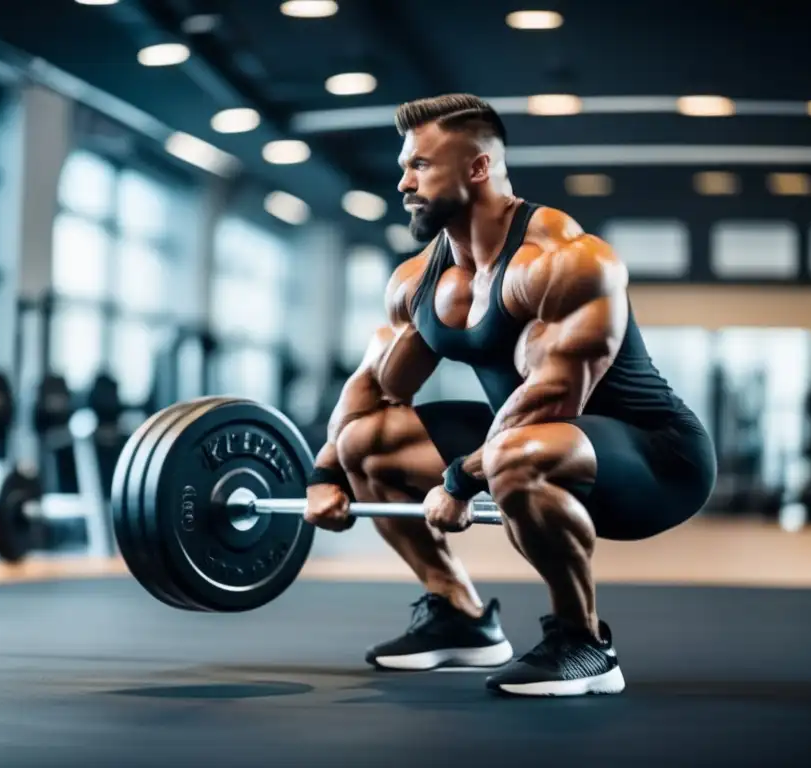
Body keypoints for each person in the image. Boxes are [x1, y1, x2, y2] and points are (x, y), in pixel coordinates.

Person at [303, 94, 716, 697]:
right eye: (404, 166)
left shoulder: (567, 261)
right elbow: (373, 386)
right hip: (525, 442)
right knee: (369, 444)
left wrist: (458, 480)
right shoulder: (420, 280)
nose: (402, 182)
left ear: (477, 168)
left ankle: (585, 644)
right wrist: (323, 471)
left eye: (419, 165)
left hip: (656, 463)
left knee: (514, 453)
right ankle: (459, 616)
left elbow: (553, 395)